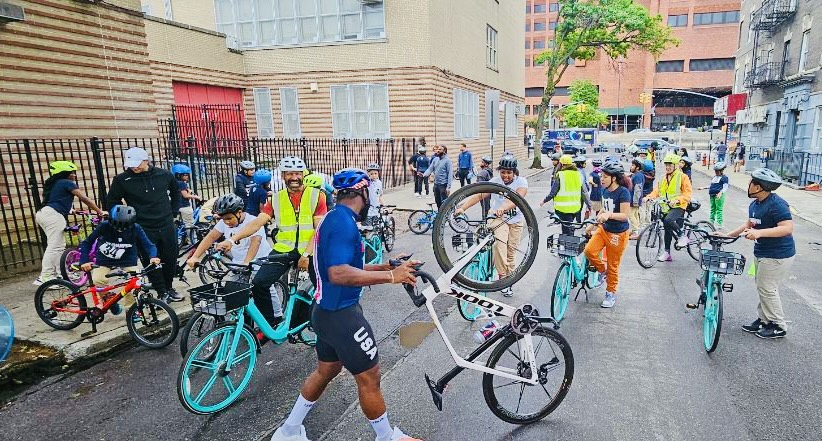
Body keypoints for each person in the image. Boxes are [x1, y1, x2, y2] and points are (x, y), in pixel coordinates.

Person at [270, 168, 420, 441]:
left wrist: (386, 266)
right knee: (370, 376)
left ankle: (289, 431)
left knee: (327, 370)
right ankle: (387, 438)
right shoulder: (344, 224)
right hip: (342, 316)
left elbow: (347, 266)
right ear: (362, 193)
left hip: (325, 313)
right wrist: (390, 277)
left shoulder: (335, 218)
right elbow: (338, 273)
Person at [219, 156, 326, 328]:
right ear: (283, 176)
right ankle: (271, 323)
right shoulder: (276, 199)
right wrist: (232, 239)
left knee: (323, 290)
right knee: (260, 283)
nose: (294, 177)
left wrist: (306, 254)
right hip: (284, 249)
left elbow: (319, 230)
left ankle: (320, 322)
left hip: (311, 250)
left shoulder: (317, 196)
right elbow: (256, 223)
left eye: (297, 173)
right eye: (289, 173)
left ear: (303, 174)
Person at [716, 169, 794, 339]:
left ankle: (778, 325)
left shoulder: (777, 204)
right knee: (762, 286)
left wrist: (759, 233)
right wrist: (726, 235)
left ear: (758, 187)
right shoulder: (755, 204)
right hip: (763, 252)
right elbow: (748, 226)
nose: (748, 185)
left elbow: (787, 228)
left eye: (751, 182)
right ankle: (765, 319)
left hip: (778, 254)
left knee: (767, 288)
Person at [187, 194, 283, 322]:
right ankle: (245, 319)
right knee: (235, 291)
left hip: (259, 261)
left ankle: (277, 317)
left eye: (229, 218)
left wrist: (247, 262)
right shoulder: (223, 223)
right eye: (223, 219)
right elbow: (210, 238)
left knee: (265, 289)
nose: (226, 222)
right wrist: (195, 257)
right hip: (238, 263)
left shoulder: (252, 221)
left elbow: (256, 242)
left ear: (239, 212)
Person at [107, 147, 184, 302]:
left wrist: (174, 211)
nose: (134, 167)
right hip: (142, 226)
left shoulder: (164, 175)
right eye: (130, 164)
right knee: (151, 259)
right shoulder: (121, 180)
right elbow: (112, 201)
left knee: (170, 258)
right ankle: (161, 292)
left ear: (146, 160)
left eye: (137, 163)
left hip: (166, 223)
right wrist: (124, 218)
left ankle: (169, 287)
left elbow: (176, 192)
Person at [453, 155, 527, 297]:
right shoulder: (494, 182)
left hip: (516, 220)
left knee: (511, 253)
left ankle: (509, 280)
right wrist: (463, 208)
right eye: (503, 172)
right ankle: (502, 278)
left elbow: (518, 198)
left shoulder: (521, 182)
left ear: (514, 172)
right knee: (500, 247)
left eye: (509, 172)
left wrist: (504, 207)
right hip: (497, 219)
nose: (505, 175)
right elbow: (479, 195)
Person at [79, 205, 160, 315]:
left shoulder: (136, 228)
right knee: (98, 279)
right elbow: (86, 242)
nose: (119, 230)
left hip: (127, 258)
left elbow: (149, 245)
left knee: (133, 282)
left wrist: (153, 256)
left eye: (123, 228)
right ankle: (108, 299)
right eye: (116, 227)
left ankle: (131, 310)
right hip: (105, 258)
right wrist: (84, 260)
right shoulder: (104, 226)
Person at [34, 161, 105, 285]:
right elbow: (84, 198)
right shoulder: (67, 182)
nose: (74, 175)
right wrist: (99, 211)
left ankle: (59, 274)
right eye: (72, 173)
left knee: (58, 246)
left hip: (44, 213)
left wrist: (71, 210)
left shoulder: (54, 184)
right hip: (53, 216)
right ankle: (45, 277)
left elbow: (56, 200)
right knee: (55, 246)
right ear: (65, 174)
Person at [583, 162, 631, 308]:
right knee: (589, 251)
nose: (601, 179)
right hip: (603, 229)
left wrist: (609, 214)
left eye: (605, 176)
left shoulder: (623, 192)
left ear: (614, 178)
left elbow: (625, 215)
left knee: (613, 266)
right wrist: (591, 225)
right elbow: (604, 209)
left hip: (618, 234)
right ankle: (602, 271)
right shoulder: (605, 191)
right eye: (601, 176)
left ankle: (610, 293)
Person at [643, 153, 692, 262]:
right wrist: (649, 197)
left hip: (679, 206)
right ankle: (667, 253)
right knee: (667, 229)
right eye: (666, 165)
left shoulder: (683, 177)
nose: (668, 167)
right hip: (666, 207)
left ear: (675, 166)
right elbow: (657, 191)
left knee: (668, 219)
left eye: (670, 165)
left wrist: (677, 200)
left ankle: (682, 236)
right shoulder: (663, 178)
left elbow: (688, 194)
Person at [541, 155, 590, 235]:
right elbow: (584, 192)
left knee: (566, 229)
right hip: (575, 207)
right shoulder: (578, 175)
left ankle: (568, 242)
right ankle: (569, 238)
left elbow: (553, 192)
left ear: (562, 164)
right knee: (568, 225)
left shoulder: (560, 175)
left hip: (563, 208)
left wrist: (544, 200)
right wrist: (589, 206)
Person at [697, 162, 729, 229]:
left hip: (718, 195)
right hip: (712, 195)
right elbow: (711, 185)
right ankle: (711, 222)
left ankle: (719, 224)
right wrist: (703, 187)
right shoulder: (714, 177)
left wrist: (720, 193)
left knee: (719, 209)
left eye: (717, 171)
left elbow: (725, 187)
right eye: (715, 171)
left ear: (721, 170)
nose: (716, 172)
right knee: (712, 208)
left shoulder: (724, 178)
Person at [172, 163, 201, 231]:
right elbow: (185, 196)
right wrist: (196, 197)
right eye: (185, 174)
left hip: (177, 206)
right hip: (184, 206)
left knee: (182, 223)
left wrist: (188, 190)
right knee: (189, 225)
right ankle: (191, 240)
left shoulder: (174, 182)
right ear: (179, 175)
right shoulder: (182, 183)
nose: (187, 176)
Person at [628, 159, 645, 239]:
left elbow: (638, 189)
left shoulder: (637, 176)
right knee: (635, 214)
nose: (631, 167)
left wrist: (635, 201)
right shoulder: (638, 175)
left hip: (634, 199)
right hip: (635, 199)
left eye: (633, 165)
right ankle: (637, 230)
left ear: (637, 167)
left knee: (630, 214)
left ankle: (636, 230)